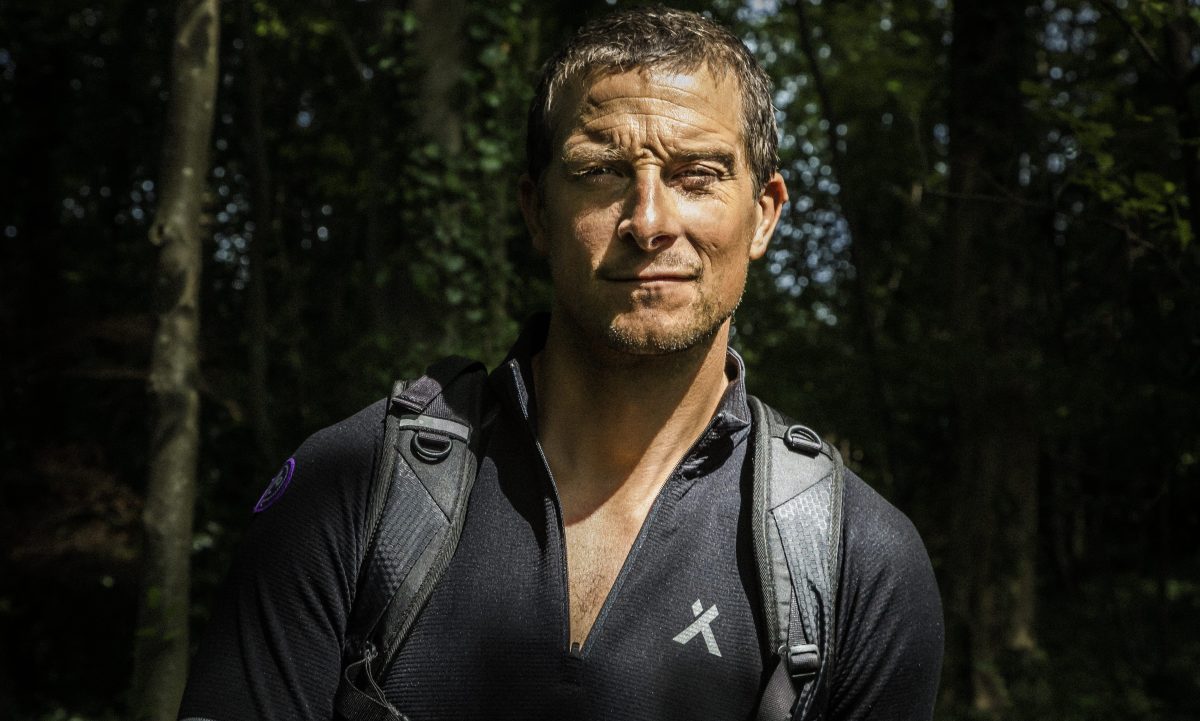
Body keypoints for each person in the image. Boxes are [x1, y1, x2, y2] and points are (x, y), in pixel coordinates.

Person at [178, 7, 943, 721]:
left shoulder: (858, 562)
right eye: (601, 172)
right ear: (537, 210)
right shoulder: (348, 491)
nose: (649, 221)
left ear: (764, 214)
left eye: (698, 175)